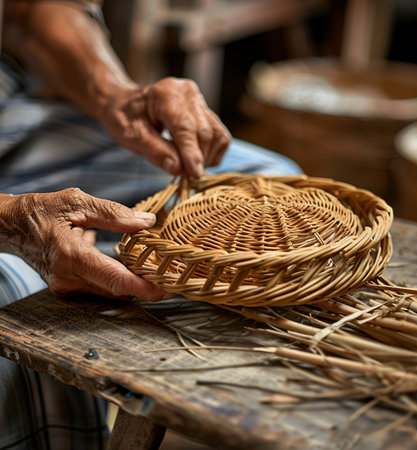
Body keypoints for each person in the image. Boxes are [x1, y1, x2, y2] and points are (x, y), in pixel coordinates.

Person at [0, 1, 301, 448]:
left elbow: (28, 8)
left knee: (273, 187)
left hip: (10, 117)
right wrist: (11, 221)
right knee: (17, 293)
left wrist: (116, 96)